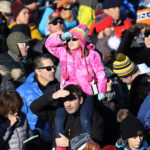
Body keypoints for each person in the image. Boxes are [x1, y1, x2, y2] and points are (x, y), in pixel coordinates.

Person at [45, 24, 107, 149]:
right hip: (68, 92)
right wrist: (61, 37)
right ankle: (60, 147)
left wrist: (102, 90)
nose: (70, 42)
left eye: (74, 39)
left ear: (82, 40)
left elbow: (100, 73)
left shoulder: (92, 55)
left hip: (86, 92)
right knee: (58, 119)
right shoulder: (63, 51)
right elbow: (49, 45)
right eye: (69, 39)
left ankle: (87, 146)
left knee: (85, 119)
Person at [30, 84, 104, 149]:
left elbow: (96, 143)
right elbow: (34, 107)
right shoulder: (57, 115)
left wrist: (69, 143)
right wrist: (52, 96)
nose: (68, 104)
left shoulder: (93, 117)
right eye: (65, 100)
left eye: (72, 99)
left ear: (80, 100)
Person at [16, 54, 59, 149]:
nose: (53, 70)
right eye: (48, 68)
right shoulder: (23, 91)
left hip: (57, 140)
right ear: (38, 71)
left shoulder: (59, 88)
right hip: (36, 141)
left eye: (54, 67)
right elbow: (18, 119)